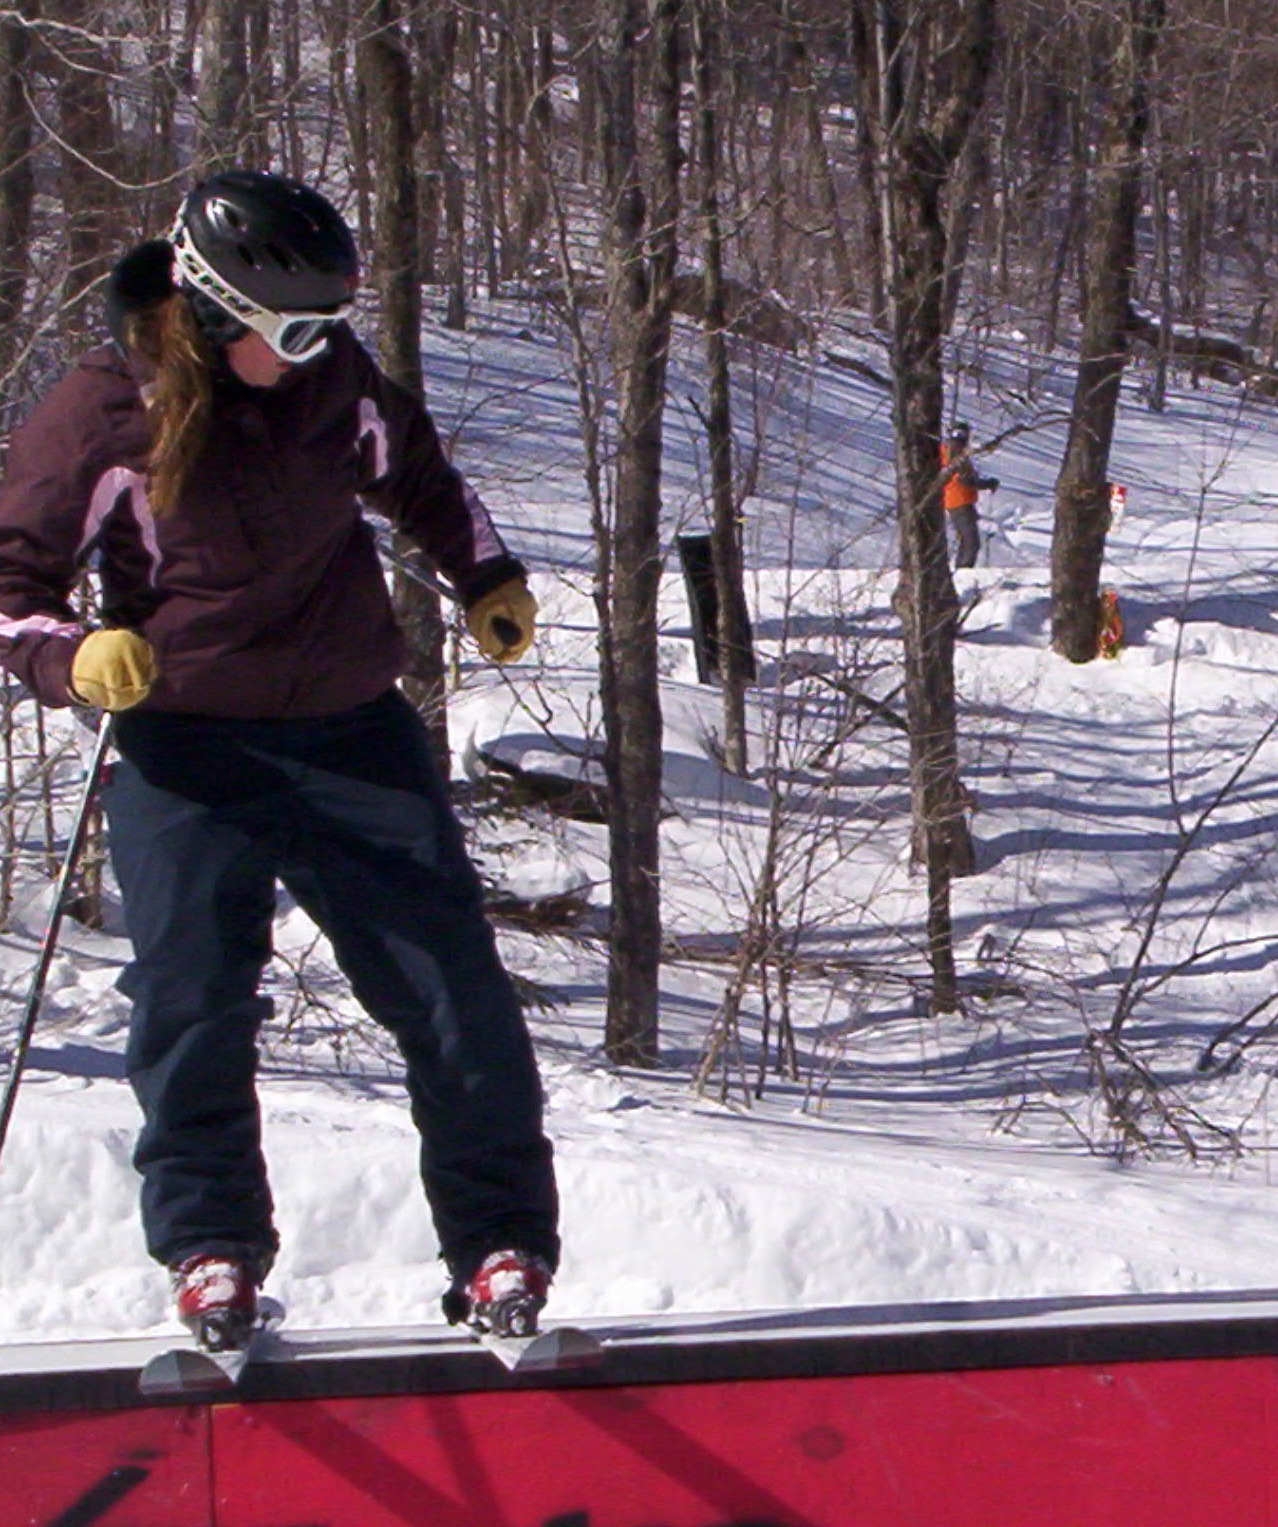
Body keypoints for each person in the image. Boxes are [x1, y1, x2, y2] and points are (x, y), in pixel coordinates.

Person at [0, 169, 559, 1351]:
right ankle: (211, 1248)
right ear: (213, 312)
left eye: (331, 327)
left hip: (352, 730)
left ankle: (498, 1244)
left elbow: (417, 472)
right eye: (296, 331)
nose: (318, 351)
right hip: (185, 747)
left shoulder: (330, 380)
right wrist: (74, 656)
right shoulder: (104, 414)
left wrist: (485, 575)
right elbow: (10, 584)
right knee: (192, 998)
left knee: (453, 991)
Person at [940, 421, 999, 569]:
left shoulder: (947, 450)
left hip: (956, 500)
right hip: (959, 500)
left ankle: (962, 569)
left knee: (966, 540)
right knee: (971, 541)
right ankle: (963, 571)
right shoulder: (956, 452)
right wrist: (987, 484)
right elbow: (965, 480)